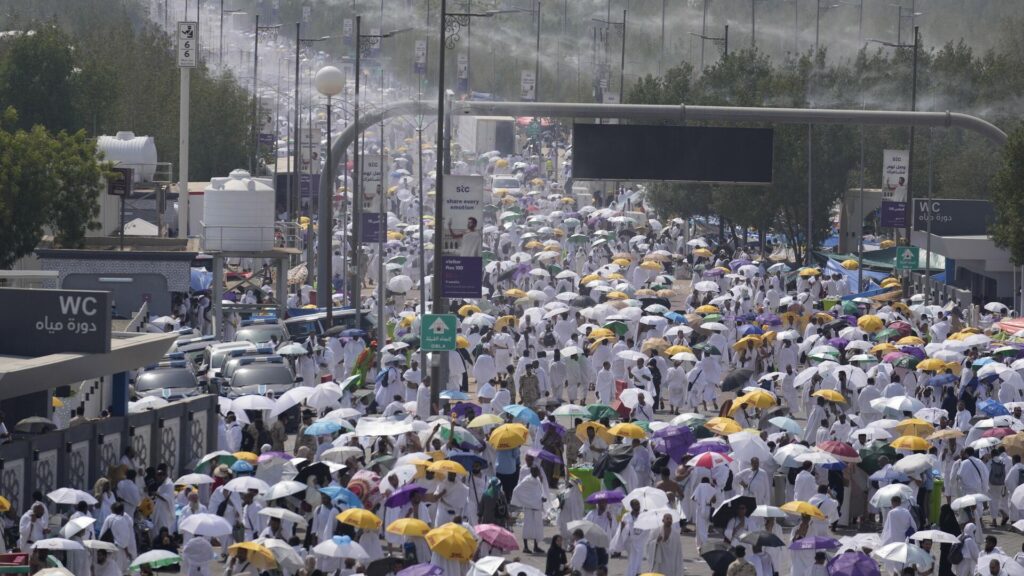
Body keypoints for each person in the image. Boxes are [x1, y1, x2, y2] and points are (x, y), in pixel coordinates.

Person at [512, 466, 548, 553]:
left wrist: (541, 499)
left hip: (537, 507)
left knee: (537, 528)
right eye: (536, 471)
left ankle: (536, 547)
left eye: (538, 471)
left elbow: (538, 493)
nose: (537, 473)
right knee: (527, 527)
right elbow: (516, 490)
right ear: (532, 472)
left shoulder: (537, 480)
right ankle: (525, 547)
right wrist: (527, 501)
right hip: (529, 509)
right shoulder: (527, 480)